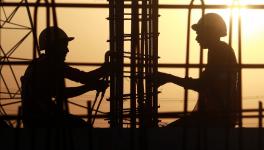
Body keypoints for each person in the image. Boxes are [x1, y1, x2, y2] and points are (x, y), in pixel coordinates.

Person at [156, 13, 239, 127]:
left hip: (216, 119)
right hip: (216, 116)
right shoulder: (219, 50)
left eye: (200, 33)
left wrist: (169, 78)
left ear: (210, 32)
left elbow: (202, 84)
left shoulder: (220, 52)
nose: (197, 38)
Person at [21, 26, 110, 127]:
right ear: (54, 47)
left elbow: (81, 78)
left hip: (37, 118)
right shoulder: (49, 65)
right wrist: (101, 74)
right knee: (82, 128)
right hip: (42, 119)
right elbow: (77, 81)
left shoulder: (41, 64)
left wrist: (95, 81)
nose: (67, 50)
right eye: (64, 46)